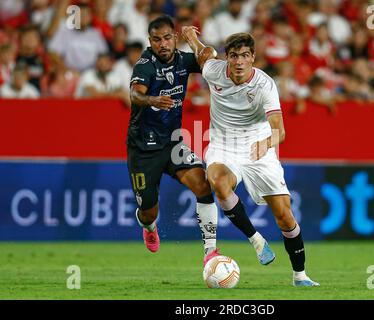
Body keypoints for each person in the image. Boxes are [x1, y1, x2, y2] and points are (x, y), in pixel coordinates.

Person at [182, 26, 319, 287]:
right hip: (223, 145)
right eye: (233, 55)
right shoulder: (214, 71)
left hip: (260, 145)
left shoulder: (265, 85)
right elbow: (203, 54)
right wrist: (190, 36)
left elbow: (280, 130)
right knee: (218, 182)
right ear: (228, 58)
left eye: (244, 55)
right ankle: (256, 240)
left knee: (284, 215)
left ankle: (300, 275)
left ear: (253, 58)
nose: (238, 61)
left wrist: (266, 142)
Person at [127, 15, 219, 264]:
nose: (163, 44)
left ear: (175, 38)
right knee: (149, 211)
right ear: (150, 41)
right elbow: (135, 95)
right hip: (143, 149)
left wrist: (194, 40)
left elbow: (211, 59)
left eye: (167, 38)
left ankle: (210, 251)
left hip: (172, 143)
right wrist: (152, 100)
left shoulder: (182, 60)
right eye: (156, 40)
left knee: (203, 185)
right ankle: (147, 227)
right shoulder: (145, 65)